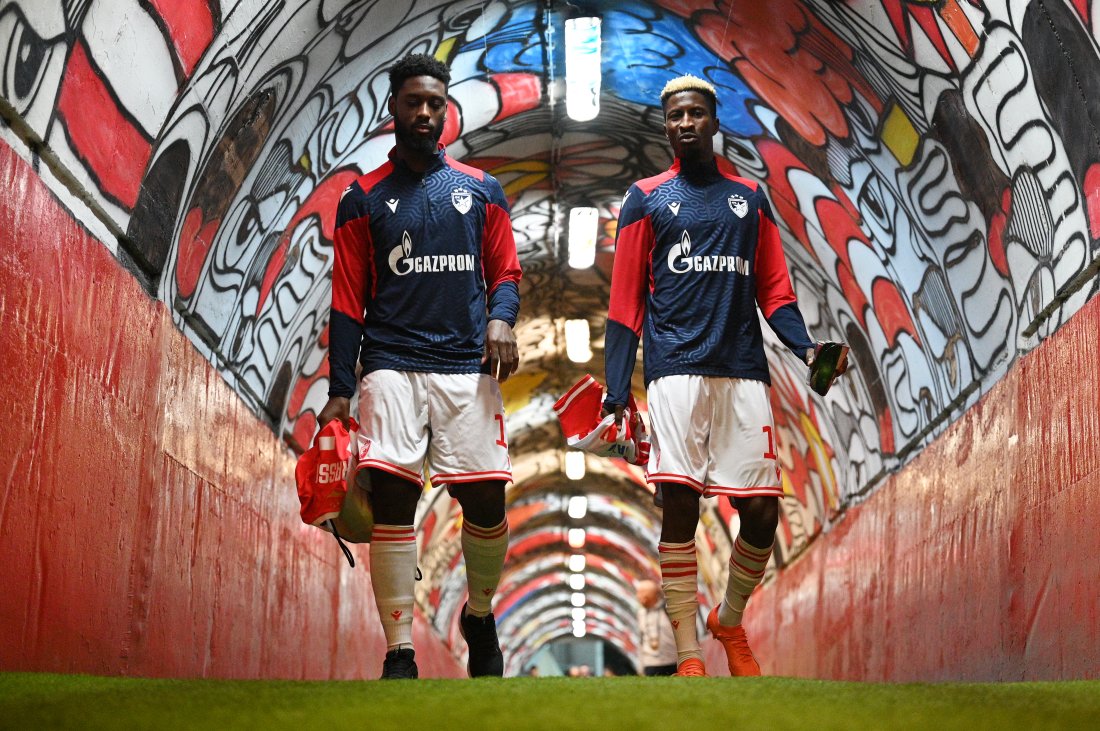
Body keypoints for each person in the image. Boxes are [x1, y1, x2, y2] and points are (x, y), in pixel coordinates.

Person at [602, 75, 847, 677]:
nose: (684, 123)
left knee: (762, 512)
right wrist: (615, 392)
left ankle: (729, 619)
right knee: (678, 508)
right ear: (666, 126)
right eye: (675, 116)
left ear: (715, 122)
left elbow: (775, 292)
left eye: (695, 114)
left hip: (743, 373)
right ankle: (688, 654)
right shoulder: (645, 199)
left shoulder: (750, 201)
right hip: (673, 377)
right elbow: (625, 303)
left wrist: (808, 346)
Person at [318, 53, 522, 680]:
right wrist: (339, 391)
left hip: (465, 367)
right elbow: (347, 300)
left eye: (436, 103)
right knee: (394, 504)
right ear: (395, 109)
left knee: (486, 500)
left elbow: (505, 273)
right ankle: (399, 651)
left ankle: (480, 615)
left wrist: (501, 320)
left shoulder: (481, 190)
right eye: (415, 103)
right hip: (390, 365)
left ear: (446, 109)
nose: (427, 113)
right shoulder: (362, 200)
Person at [635, 579, 678, 676]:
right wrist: (640, 666)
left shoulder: (668, 610)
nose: (637, 596)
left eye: (640, 592)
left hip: (672, 662)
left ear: (650, 594)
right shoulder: (640, 614)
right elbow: (641, 640)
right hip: (650, 664)